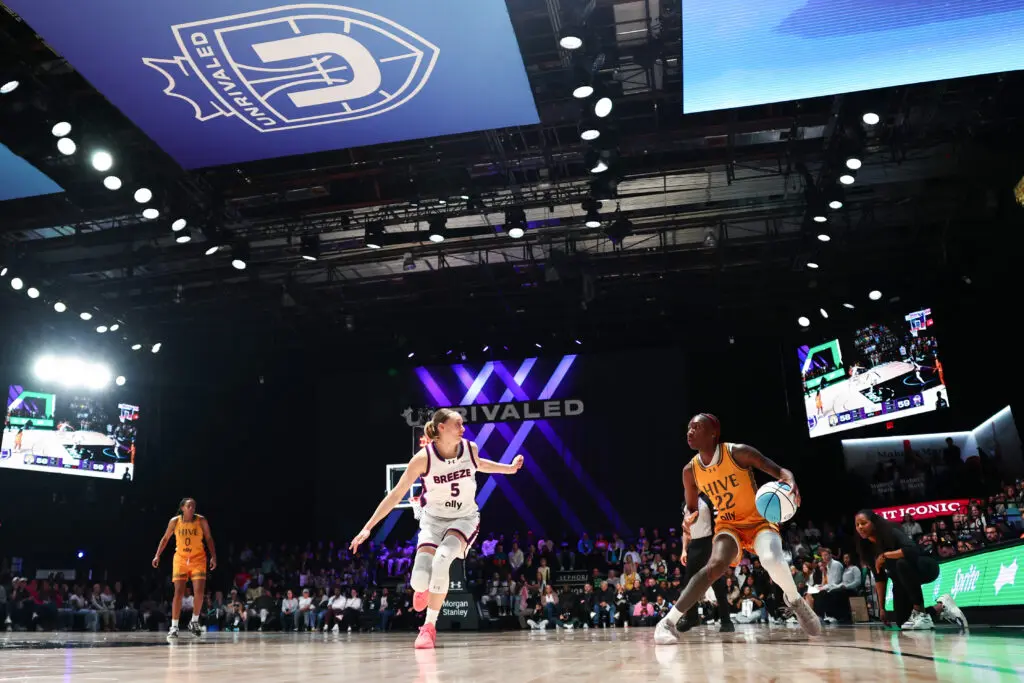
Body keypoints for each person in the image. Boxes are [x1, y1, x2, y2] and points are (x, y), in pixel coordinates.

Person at [349, 408, 524, 649]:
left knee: (442, 559)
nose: (463, 429)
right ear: (441, 427)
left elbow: (480, 464)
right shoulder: (423, 459)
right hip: (433, 520)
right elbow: (396, 494)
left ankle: (429, 627)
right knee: (419, 580)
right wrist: (367, 528)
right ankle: (423, 589)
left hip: (463, 519)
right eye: (457, 424)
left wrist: (509, 468)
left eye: (462, 424)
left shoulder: (470, 448)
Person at [654, 413, 821, 644]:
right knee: (715, 566)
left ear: (713, 433)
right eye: (689, 427)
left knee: (771, 559)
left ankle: (795, 601)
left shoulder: (737, 453)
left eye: (697, 427)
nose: (690, 431)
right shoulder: (689, 471)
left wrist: (790, 481)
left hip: (758, 520)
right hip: (729, 524)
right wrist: (688, 519)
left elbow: (780, 471)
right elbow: (691, 507)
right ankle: (667, 623)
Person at [853, 509, 966, 630]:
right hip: (900, 579)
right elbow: (879, 578)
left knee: (902, 563)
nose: (860, 527)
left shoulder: (891, 532)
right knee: (903, 622)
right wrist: (882, 608)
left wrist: (885, 555)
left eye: (863, 523)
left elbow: (911, 550)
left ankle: (920, 612)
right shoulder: (867, 548)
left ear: (874, 523)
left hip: (924, 565)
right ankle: (941, 607)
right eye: (857, 525)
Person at [152, 498, 217, 639]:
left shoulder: (201, 520)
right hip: (181, 559)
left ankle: (194, 622)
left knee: (199, 592)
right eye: (189, 506)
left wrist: (213, 557)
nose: (192, 508)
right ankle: (174, 626)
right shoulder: (175, 521)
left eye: (194, 506)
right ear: (182, 508)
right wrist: (157, 555)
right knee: (178, 593)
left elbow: (209, 538)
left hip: (198, 559)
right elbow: (165, 538)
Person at [679, 492, 733, 632]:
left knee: (717, 584)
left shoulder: (708, 498)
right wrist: (684, 549)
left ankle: (726, 621)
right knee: (689, 583)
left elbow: (718, 523)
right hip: (694, 545)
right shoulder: (685, 503)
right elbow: (685, 530)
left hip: (709, 543)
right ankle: (692, 618)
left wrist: (718, 546)